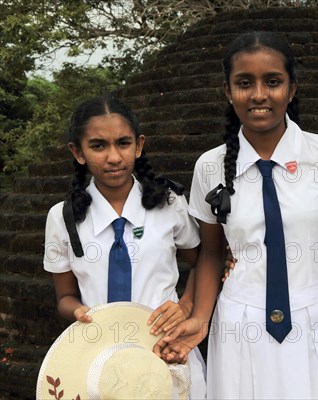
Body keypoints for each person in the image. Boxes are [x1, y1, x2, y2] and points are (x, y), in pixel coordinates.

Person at [156, 31, 318, 399]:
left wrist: (306, 277)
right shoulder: (211, 166)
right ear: (228, 91)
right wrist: (200, 317)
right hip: (240, 320)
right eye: (244, 83)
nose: (259, 95)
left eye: (273, 82)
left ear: (292, 89)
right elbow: (213, 253)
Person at [42, 95, 206, 399]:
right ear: (77, 152)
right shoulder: (62, 217)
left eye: (123, 143)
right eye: (98, 146)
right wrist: (77, 310)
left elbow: (203, 261)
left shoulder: (169, 202)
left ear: (139, 145)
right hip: (99, 360)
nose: (114, 157)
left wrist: (184, 306)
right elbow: (64, 296)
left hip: (167, 349)